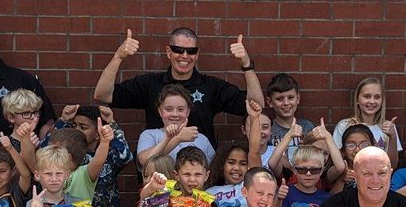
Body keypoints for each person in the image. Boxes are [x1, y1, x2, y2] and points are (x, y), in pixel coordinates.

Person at [94, 28, 263, 147]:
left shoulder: (211, 86)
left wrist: (246, 64)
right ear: (168, 52)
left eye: (191, 51)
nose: (184, 56)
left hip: (198, 174)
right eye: (178, 50)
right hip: (159, 171)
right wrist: (119, 56)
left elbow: (256, 105)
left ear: (197, 54)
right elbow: (102, 95)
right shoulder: (150, 84)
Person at [135, 84, 216, 166]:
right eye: (168, 109)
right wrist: (177, 139)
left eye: (180, 109)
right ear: (160, 111)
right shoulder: (149, 135)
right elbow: (144, 161)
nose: (174, 114)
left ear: (188, 111)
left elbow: (210, 167)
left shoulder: (200, 138)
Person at [332, 77, 401, 163]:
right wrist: (353, 132)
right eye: (367, 96)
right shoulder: (344, 125)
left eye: (377, 97)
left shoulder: (388, 127)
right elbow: (337, 161)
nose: (372, 101)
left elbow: (392, 164)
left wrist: (392, 137)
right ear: (357, 99)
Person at [266, 73, 315, 168]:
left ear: (298, 98)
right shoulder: (268, 129)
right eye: (279, 99)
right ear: (270, 102)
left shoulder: (307, 126)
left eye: (290, 98)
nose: (286, 103)